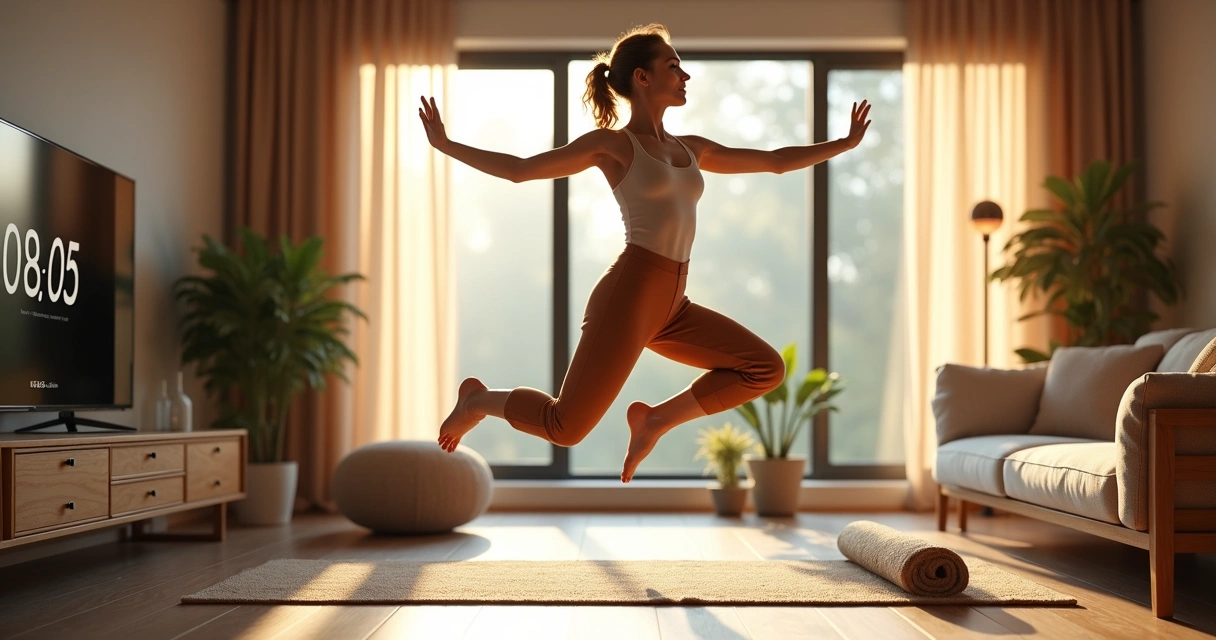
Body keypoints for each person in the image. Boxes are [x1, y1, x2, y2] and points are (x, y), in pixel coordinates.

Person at [419, 23, 871, 483]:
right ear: (642, 77)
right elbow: (520, 171)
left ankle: (656, 420)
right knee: (565, 427)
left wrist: (843, 144)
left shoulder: (691, 149)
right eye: (673, 66)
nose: (685, 76)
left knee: (764, 368)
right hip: (630, 295)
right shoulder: (612, 144)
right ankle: (477, 400)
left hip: (674, 304)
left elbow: (774, 161)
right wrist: (446, 144)